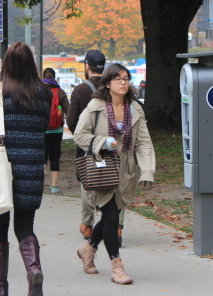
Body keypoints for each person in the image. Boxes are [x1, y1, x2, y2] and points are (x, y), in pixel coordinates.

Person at [0, 42, 52, 296]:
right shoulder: (44, 93)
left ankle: (1, 289)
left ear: (6, 64)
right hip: (31, 166)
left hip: (2, 168)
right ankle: (33, 270)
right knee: (25, 225)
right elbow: (42, 126)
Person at [74, 63, 155, 285]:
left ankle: (87, 249)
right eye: (118, 79)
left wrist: (147, 169)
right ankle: (116, 265)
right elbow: (79, 135)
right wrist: (102, 142)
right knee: (111, 217)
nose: (123, 83)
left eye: (126, 79)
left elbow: (144, 142)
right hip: (102, 167)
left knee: (111, 215)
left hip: (126, 171)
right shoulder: (96, 106)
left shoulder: (135, 108)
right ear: (108, 82)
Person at [67, 50, 106, 239]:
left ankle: (88, 225)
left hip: (87, 146)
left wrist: (82, 137)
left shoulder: (81, 90)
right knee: (115, 183)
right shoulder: (113, 87)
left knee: (88, 183)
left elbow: (71, 120)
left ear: (87, 66)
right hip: (110, 143)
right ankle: (118, 227)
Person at [42, 68, 69, 194]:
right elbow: (69, 111)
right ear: (54, 77)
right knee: (54, 157)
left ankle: (40, 184)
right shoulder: (60, 92)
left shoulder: (39, 91)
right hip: (57, 130)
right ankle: (53, 186)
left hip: (42, 130)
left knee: (42, 157)